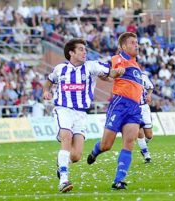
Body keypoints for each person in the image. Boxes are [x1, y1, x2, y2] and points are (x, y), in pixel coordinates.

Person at [42, 38, 125, 193]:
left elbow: (110, 73)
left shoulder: (91, 66)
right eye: (80, 49)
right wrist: (46, 91)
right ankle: (64, 180)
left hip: (81, 114)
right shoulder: (60, 69)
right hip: (63, 109)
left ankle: (62, 164)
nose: (84, 51)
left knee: (75, 156)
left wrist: (117, 72)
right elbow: (48, 81)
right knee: (66, 137)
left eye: (85, 49)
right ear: (71, 53)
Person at [86, 32, 143, 190]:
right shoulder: (118, 58)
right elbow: (108, 74)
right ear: (124, 46)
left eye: (137, 42)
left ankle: (119, 180)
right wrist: (116, 72)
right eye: (132, 42)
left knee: (129, 142)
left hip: (134, 107)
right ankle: (95, 151)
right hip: (119, 104)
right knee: (106, 145)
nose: (136, 45)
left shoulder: (136, 65)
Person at [137, 68, 154, 163]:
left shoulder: (143, 76)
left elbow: (150, 87)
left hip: (144, 108)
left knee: (149, 135)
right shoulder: (125, 76)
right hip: (134, 108)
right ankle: (147, 156)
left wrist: (149, 95)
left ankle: (144, 147)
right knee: (140, 133)